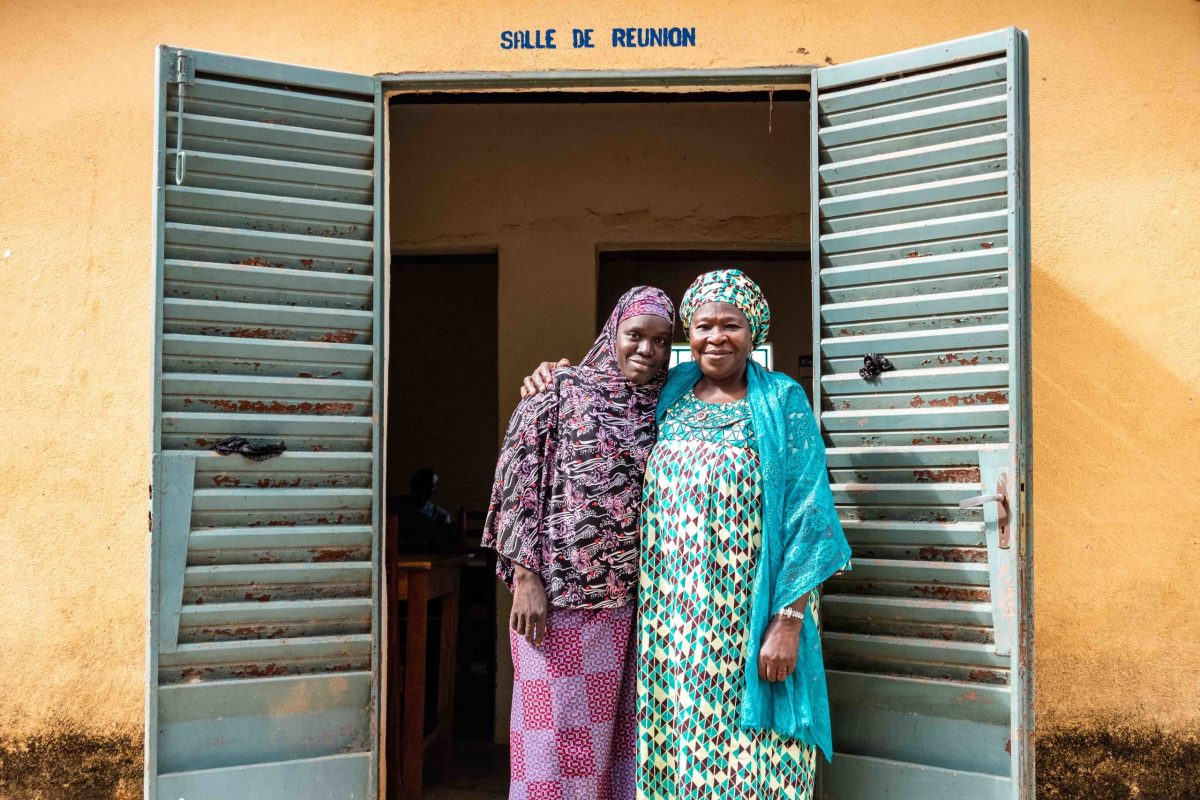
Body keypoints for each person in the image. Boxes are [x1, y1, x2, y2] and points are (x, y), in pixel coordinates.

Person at [521, 270, 851, 800]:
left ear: (754, 333)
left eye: (731, 326)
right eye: (703, 326)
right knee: (678, 759)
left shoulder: (782, 401)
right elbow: (599, 397)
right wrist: (556, 376)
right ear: (687, 334)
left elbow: (807, 517)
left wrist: (788, 621)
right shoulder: (667, 391)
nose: (716, 337)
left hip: (749, 618)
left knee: (758, 762)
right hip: (673, 627)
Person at [482, 286, 675, 800]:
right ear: (613, 332)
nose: (647, 349)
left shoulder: (669, 406)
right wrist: (525, 578)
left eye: (661, 340)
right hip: (560, 606)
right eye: (636, 335)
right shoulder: (560, 389)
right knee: (553, 748)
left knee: (620, 755)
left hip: (635, 612)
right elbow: (517, 481)